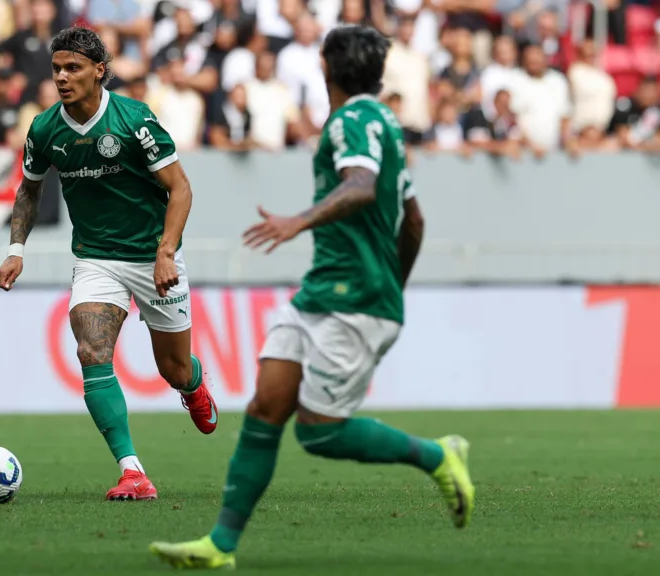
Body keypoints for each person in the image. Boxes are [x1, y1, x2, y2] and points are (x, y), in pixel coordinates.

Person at [148, 25, 475, 569]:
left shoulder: (350, 122)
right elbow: (413, 218)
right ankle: (220, 546)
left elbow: (361, 185)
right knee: (265, 407)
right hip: (324, 290)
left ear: (326, 66)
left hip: (353, 296)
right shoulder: (385, 124)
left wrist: (299, 222)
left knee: (320, 434)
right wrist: (395, 280)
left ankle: (439, 455)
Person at [0, 25, 219, 501]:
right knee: (91, 351)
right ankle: (132, 470)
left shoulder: (134, 119)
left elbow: (180, 188)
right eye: (57, 68)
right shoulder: (44, 128)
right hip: (96, 258)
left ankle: (194, 384)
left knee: (174, 369)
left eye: (73, 68)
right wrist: (16, 250)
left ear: (99, 71)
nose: (62, 77)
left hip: (153, 256)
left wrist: (165, 252)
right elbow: (29, 190)